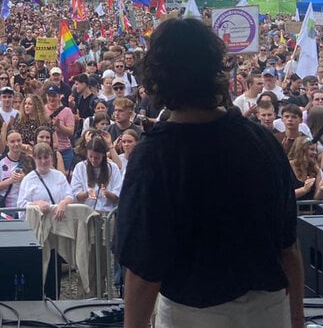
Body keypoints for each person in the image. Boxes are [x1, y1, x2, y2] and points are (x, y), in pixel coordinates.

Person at [116, 18, 303, 328]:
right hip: (270, 312)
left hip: (192, 316)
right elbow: (289, 247)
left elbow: (143, 270)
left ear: (157, 77)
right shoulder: (262, 140)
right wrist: (297, 320)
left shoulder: (153, 157)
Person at [16, 141, 73, 219]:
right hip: (38, 223)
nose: (43, 161)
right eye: (39, 158)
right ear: (34, 159)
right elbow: (21, 204)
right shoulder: (28, 179)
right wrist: (37, 204)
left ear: (51, 157)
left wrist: (64, 203)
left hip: (59, 221)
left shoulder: (59, 176)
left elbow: (70, 195)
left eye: (46, 157)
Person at [70, 135, 122, 214]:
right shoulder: (80, 167)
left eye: (97, 157)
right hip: (86, 213)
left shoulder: (112, 168)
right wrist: (87, 193)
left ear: (103, 155)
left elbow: (118, 194)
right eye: (90, 156)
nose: (93, 160)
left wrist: (109, 194)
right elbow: (75, 194)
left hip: (106, 213)